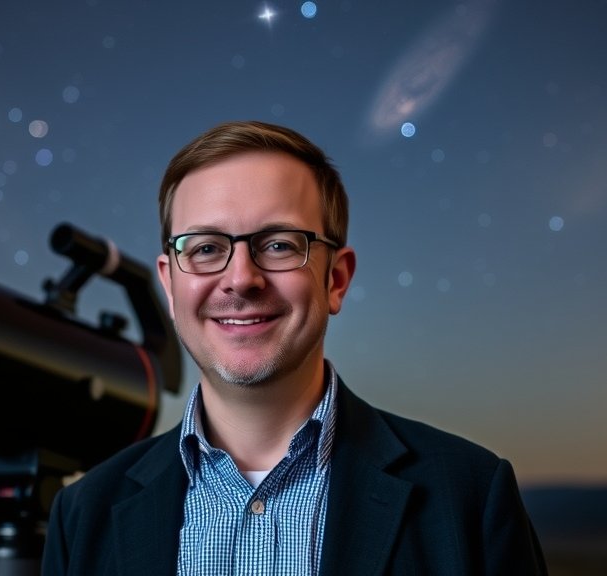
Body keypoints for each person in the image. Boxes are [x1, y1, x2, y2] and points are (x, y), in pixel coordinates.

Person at [42, 121, 548, 575]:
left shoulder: (471, 496)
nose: (241, 279)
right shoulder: (83, 515)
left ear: (337, 280)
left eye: (280, 244)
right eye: (206, 249)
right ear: (171, 286)